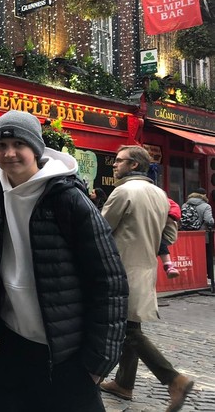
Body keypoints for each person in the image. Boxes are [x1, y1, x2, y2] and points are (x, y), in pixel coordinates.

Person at [0, 111, 128, 412]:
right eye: (1, 146)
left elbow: (109, 280)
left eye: (18, 144)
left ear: (35, 149)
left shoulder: (67, 198)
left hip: (67, 350)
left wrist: (99, 361)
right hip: (14, 346)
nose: (9, 153)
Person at [100, 145, 194, 412]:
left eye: (119, 161)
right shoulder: (160, 194)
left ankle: (173, 379)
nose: (114, 165)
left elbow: (102, 230)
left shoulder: (124, 191)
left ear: (133, 165)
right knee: (132, 327)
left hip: (121, 269)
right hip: (144, 271)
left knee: (129, 332)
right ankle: (124, 383)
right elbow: (169, 238)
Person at [158, 199, 181, 279]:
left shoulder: (164, 202)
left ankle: (168, 265)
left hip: (165, 235)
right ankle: (168, 266)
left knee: (159, 242)